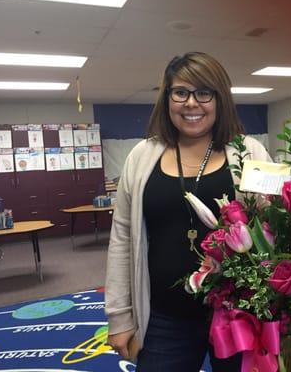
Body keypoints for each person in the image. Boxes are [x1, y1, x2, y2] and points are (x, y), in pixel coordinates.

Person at [105, 52, 271, 371]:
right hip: (165, 318)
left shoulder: (250, 152)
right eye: (180, 92)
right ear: (167, 99)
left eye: (204, 93)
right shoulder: (141, 157)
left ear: (219, 99)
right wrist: (120, 316)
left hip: (240, 314)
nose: (191, 103)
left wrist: (285, 321)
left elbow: (276, 235)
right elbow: (122, 238)